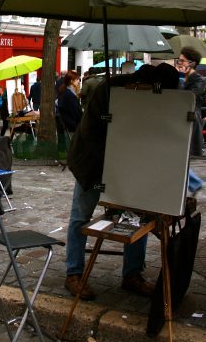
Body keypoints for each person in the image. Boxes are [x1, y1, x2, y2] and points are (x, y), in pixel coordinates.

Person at [64, 64, 177, 301]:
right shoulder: (112, 89)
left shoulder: (148, 95)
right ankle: (73, 273)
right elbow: (96, 135)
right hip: (92, 162)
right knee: (81, 216)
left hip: (125, 166)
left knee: (137, 216)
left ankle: (132, 274)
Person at [176, 47, 206, 194]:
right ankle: (193, 183)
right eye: (179, 60)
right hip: (180, 119)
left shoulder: (199, 80)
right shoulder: (182, 78)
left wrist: (181, 81)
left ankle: (194, 183)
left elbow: (188, 98)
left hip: (191, 120)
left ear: (192, 63)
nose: (179, 63)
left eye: (182, 60)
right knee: (178, 155)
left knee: (181, 154)